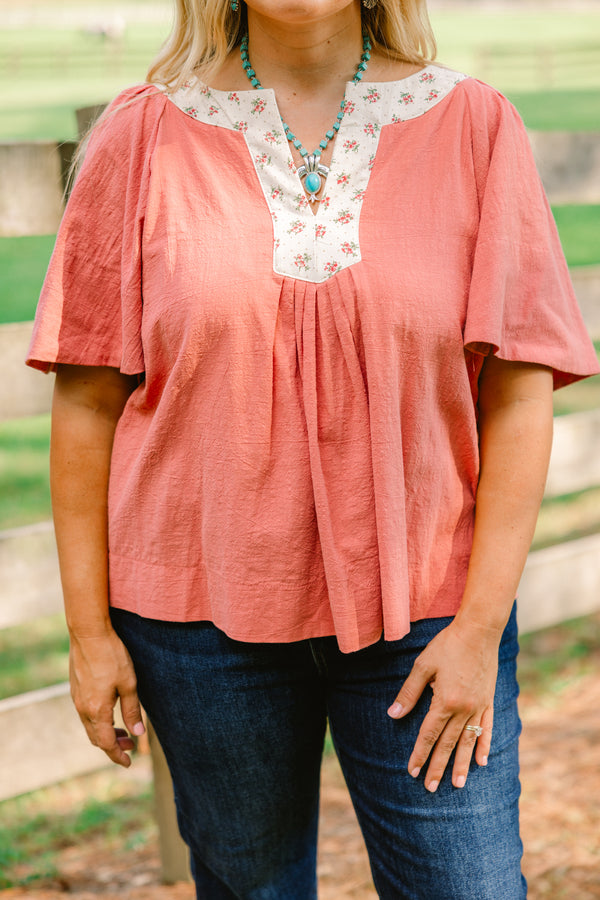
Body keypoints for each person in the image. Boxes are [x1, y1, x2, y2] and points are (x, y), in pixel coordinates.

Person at [27, 1, 599, 897]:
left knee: (469, 885)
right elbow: (88, 400)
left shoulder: (476, 125)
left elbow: (519, 391)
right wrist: (90, 632)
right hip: (197, 623)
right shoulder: (140, 136)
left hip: (429, 614)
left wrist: (480, 627)